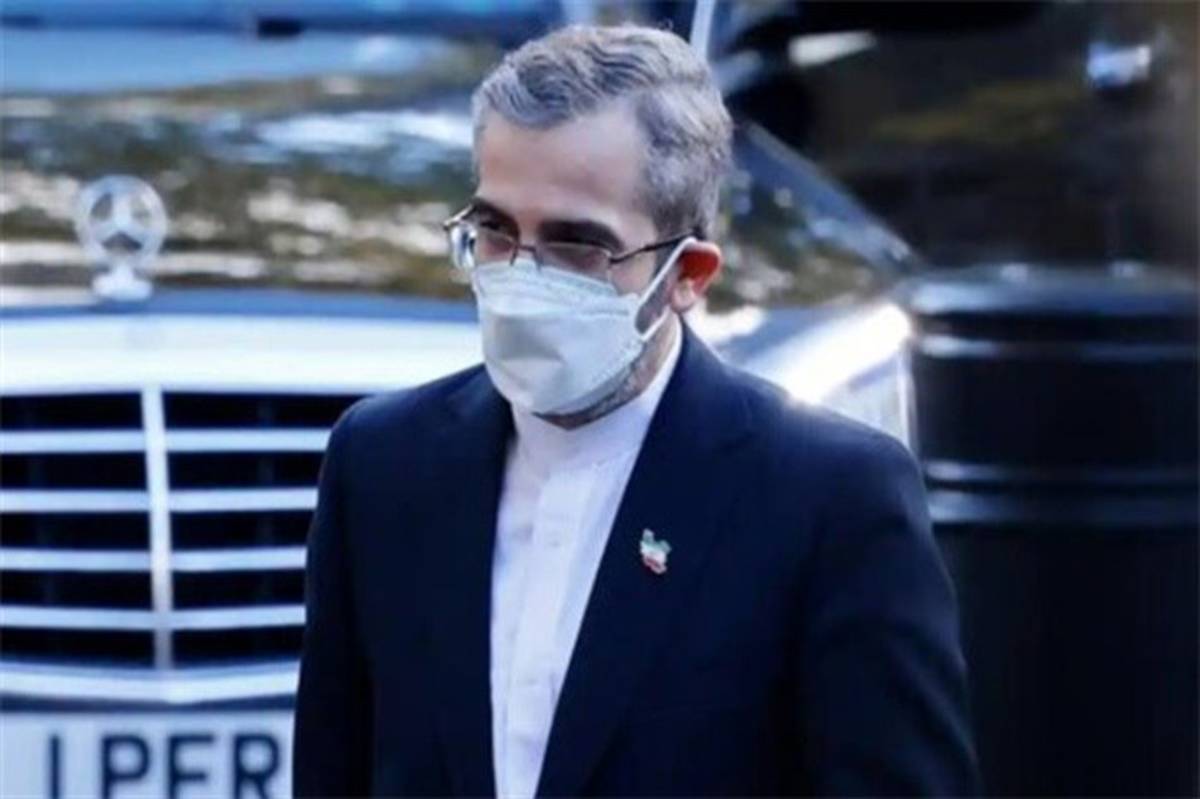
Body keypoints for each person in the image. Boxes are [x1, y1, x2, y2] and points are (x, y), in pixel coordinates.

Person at [292, 23, 979, 797]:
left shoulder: (827, 499)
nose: (522, 275)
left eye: (576, 245)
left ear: (689, 274)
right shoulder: (384, 465)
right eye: (494, 230)